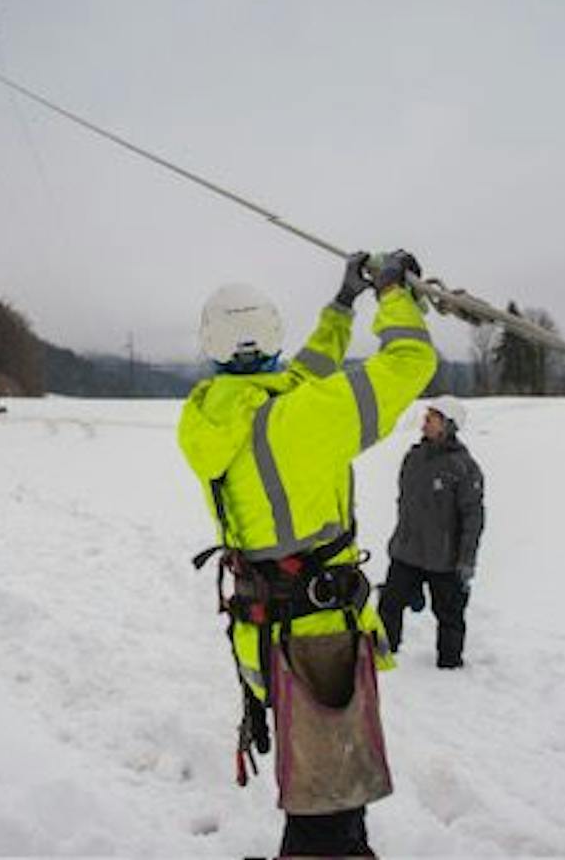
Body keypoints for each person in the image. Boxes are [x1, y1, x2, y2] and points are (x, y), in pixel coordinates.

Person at [178, 251, 436, 857]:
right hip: (319, 640)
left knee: (327, 795)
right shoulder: (300, 420)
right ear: (272, 335)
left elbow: (302, 377)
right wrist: (394, 295)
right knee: (327, 806)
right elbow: (410, 361)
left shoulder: (214, 415)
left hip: (265, 633)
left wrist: (344, 306)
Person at [377, 394, 485, 669]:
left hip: (444, 559)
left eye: (430, 418)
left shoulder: (464, 467)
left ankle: (449, 667)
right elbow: (405, 504)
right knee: (389, 605)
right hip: (407, 552)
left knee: (449, 615)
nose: (424, 423)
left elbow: (473, 517)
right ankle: (383, 655)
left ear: (447, 425)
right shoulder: (413, 458)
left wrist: (466, 560)